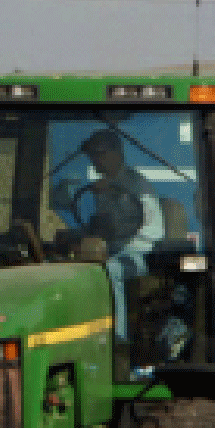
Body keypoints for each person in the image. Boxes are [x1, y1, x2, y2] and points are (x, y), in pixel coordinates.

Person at [67, 129, 165, 341]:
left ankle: (118, 339)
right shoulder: (100, 188)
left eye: (100, 154)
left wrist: (117, 243)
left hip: (140, 254)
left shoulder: (137, 185)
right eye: (92, 155)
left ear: (117, 154)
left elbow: (152, 231)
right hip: (111, 249)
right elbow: (104, 227)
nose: (95, 160)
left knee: (112, 269)